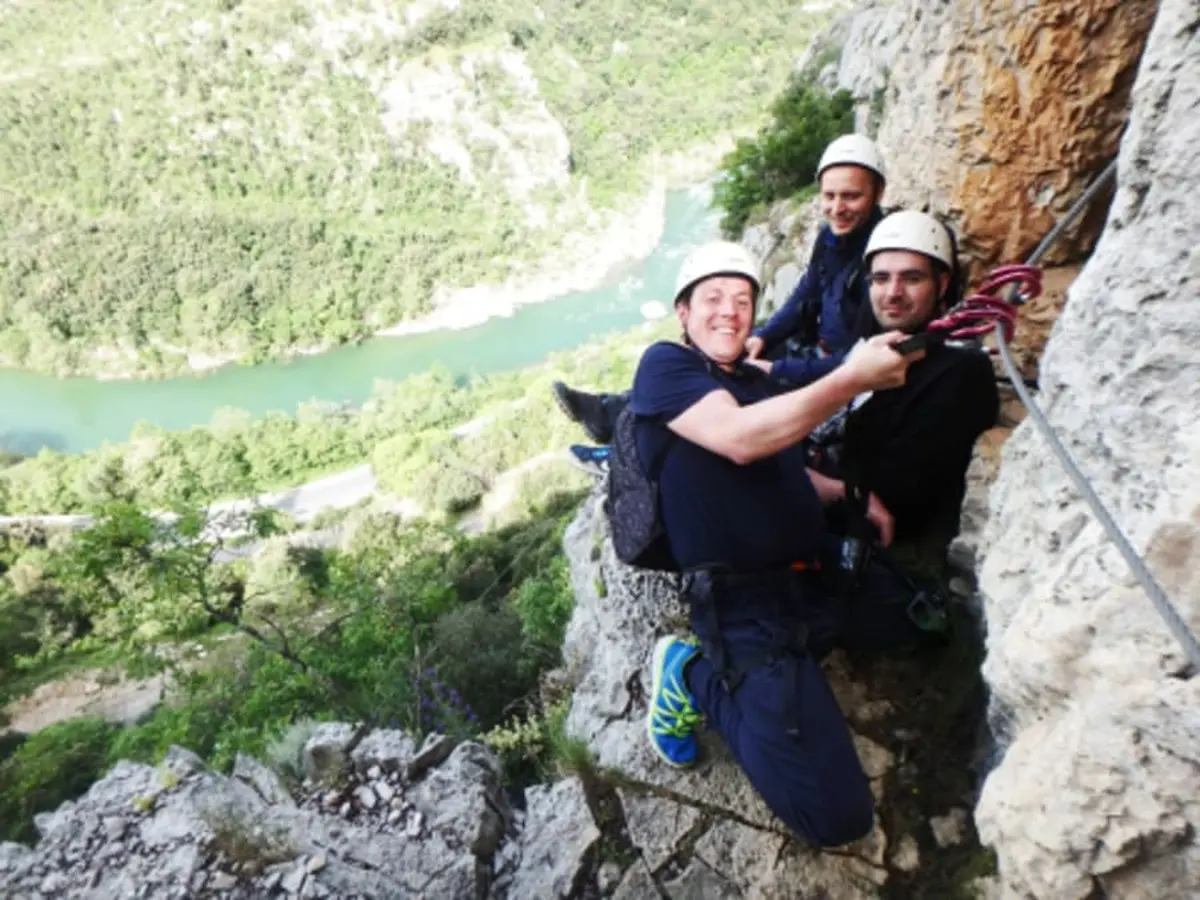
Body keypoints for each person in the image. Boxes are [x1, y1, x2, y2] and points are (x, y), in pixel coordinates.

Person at [632, 237, 928, 848]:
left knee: (920, 622)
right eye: (712, 298)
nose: (729, 311)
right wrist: (850, 378)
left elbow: (784, 465)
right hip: (745, 606)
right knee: (836, 818)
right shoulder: (666, 367)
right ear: (683, 313)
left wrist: (846, 493)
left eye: (743, 300)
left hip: (809, 574)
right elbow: (742, 439)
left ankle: (802, 656)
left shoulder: (752, 380)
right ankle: (690, 673)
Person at [554, 133, 889, 445]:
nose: (837, 208)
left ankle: (621, 429)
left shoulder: (886, 266)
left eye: (851, 196)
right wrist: (764, 337)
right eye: (829, 196)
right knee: (718, 351)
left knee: (726, 381)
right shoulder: (831, 238)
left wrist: (777, 370)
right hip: (812, 351)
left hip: (837, 375)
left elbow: (859, 362)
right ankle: (613, 412)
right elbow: (805, 294)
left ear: (878, 194)